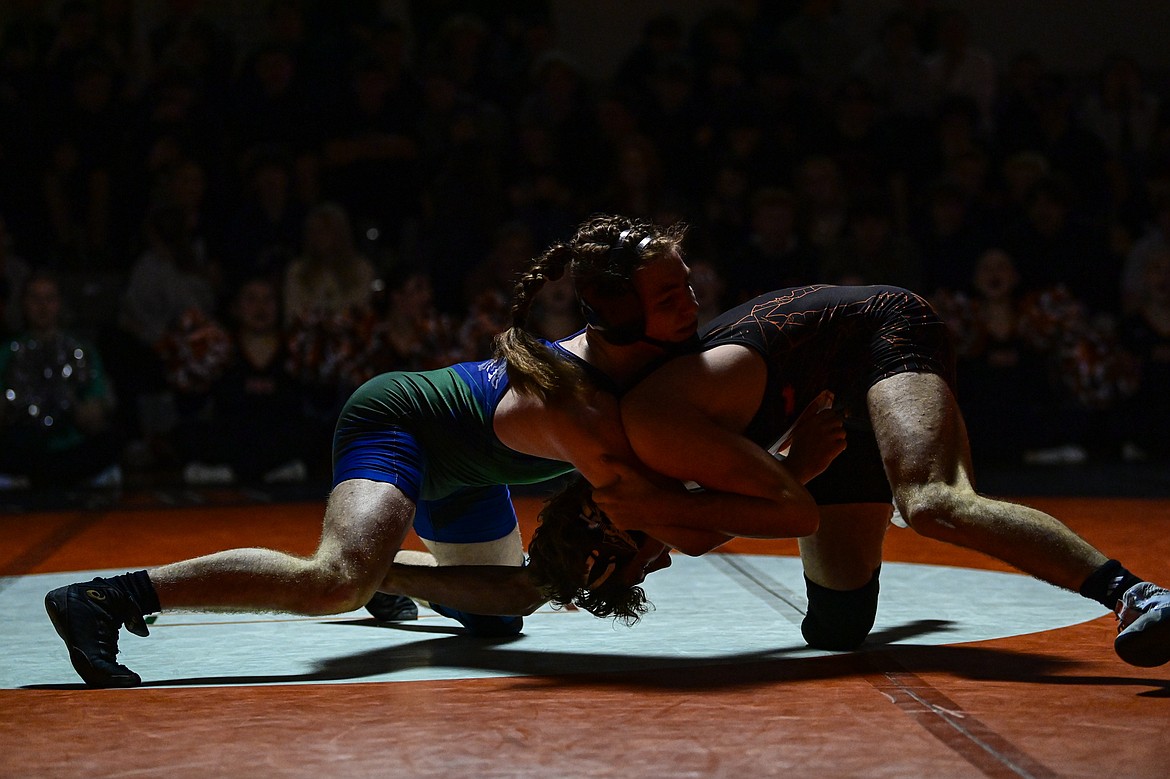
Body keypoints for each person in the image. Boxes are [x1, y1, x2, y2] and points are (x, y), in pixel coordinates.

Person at [46, 215, 813, 688]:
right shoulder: (582, 408)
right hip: (400, 421)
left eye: (688, 287)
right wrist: (794, 466)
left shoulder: (646, 364)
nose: (696, 307)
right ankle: (111, 596)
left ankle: (384, 570)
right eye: (674, 297)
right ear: (620, 317)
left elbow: (670, 499)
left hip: (472, 465)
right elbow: (673, 522)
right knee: (333, 582)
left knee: (506, 612)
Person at [525, 284, 1170, 668]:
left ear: (614, 527)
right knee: (833, 631)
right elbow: (718, 522)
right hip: (823, 421)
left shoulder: (654, 444)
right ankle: (891, 467)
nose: (658, 566)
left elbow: (784, 510)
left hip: (877, 336)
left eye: (640, 562)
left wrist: (795, 468)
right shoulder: (648, 493)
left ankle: (1138, 595)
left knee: (932, 503)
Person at [0, 272, 121, 489]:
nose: (42, 306)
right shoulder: (8, 352)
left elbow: (95, 416)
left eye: (49, 299)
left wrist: (66, 398)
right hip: (25, 446)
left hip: (69, 447)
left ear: (59, 304)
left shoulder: (81, 351)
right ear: (23, 304)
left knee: (110, 441)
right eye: (35, 299)